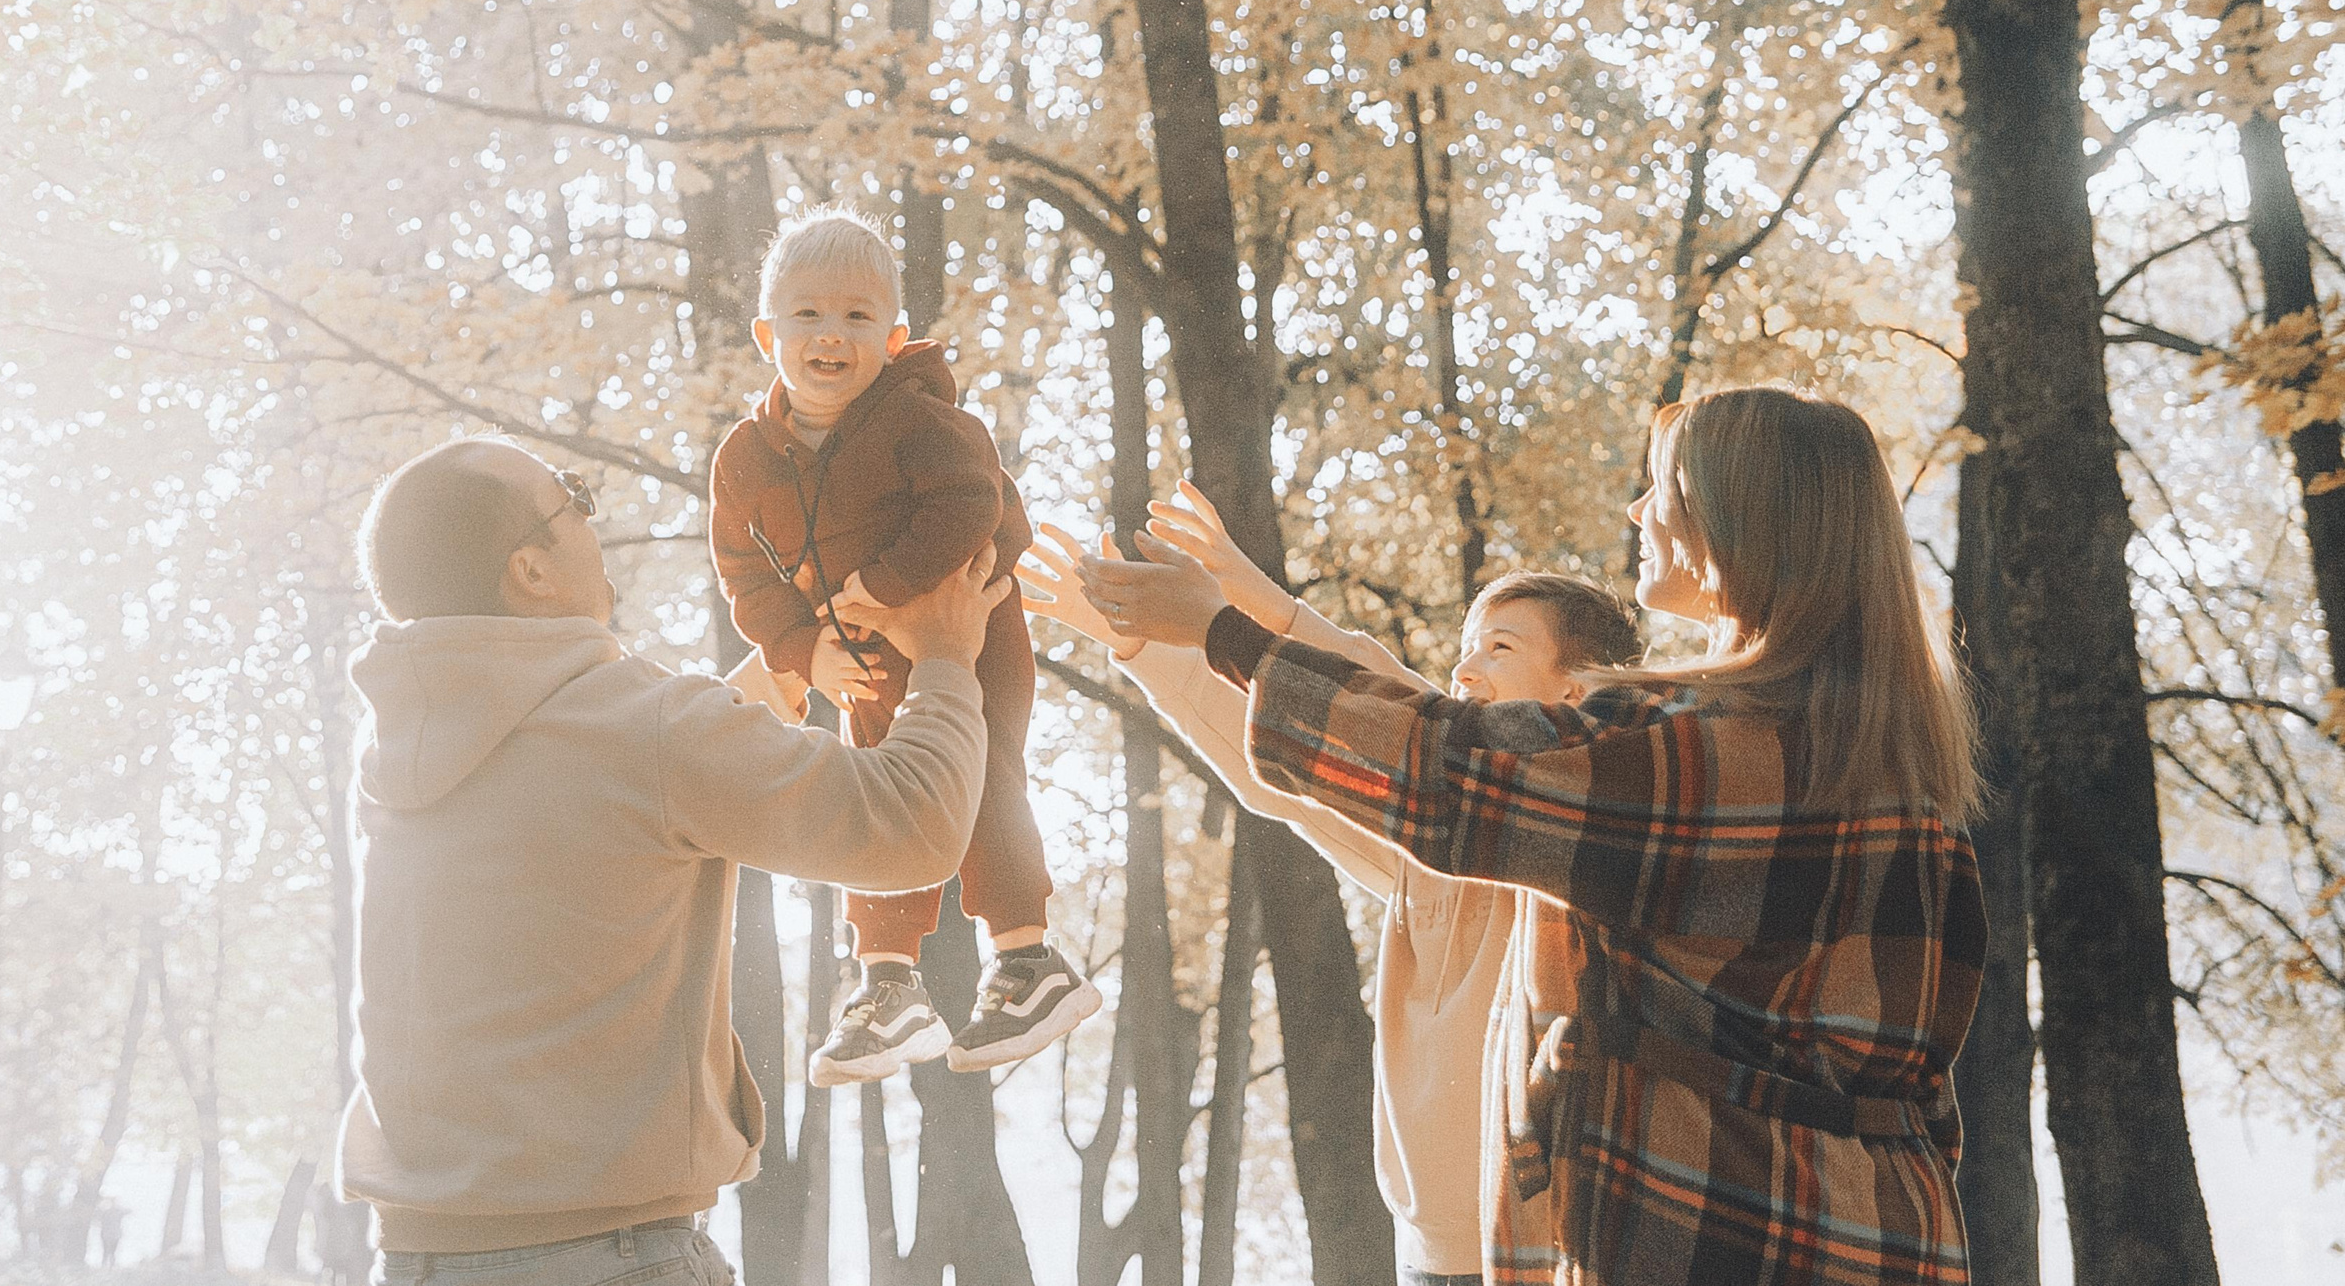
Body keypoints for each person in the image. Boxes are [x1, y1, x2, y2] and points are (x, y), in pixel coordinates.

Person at [1081, 388, 1986, 1286]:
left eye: (1661, 487)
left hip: (1715, 1240)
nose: (1638, 509)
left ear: (1733, 523)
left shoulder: (1688, 752)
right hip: (1886, 1240)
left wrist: (1218, 631)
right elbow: (1917, 1091)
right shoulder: (1902, 780)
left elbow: (1446, 767)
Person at [338, 433, 1012, 1286]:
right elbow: (912, 827)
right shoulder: (649, 728)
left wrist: (751, 699)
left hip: (418, 1256)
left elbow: (589, 814)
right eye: (573, 498)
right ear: (531, 573)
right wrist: (948, 658)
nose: (595, 517)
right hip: (609, 1258)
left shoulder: (403, 742)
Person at [1019, 483, 1641, 1286]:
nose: (1463, 665)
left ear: (1577, 692)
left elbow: (1396, 705)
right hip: (1427, 1251)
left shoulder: (1574, 839)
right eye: (1470, 643)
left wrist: (1260, 605)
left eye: (1502, 649)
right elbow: (1279, 771)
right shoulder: (1424, 848)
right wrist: (1133, 638)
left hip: (1545, 1246)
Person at [710, 207, 1097, 1085]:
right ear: (769, 333)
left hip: (969, 632)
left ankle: (1029, 956)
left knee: (982, 774)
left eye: (856, 317)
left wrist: (887, 588)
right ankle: (888, 982)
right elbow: (745, 571)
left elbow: (975, 509)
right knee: (879, 802)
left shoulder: (923, 422)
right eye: (808, 315)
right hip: (861, 663)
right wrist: (806, 651)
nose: (831, 336)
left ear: (893, 336)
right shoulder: (745, 460)